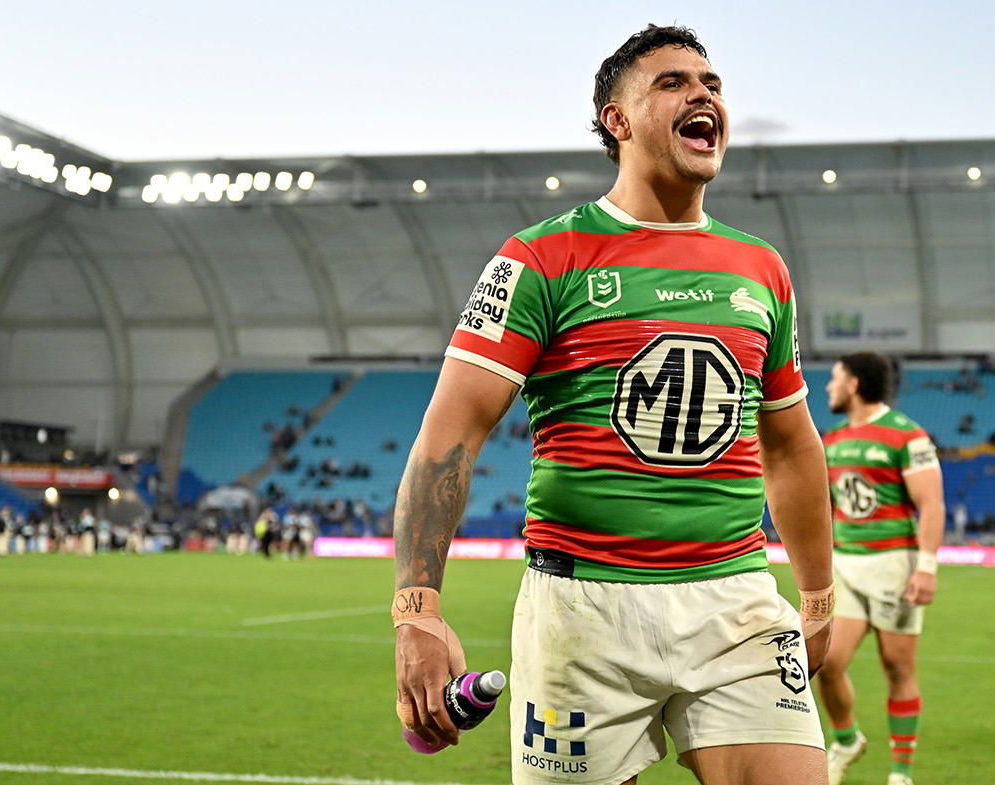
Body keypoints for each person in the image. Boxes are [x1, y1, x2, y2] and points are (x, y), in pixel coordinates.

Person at [392, 24, 834, 785]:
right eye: (672, 82)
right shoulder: (539, 258)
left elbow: (792, 445)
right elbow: (451, 433)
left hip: (736, 599)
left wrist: (820, 590)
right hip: (582, 611)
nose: (703, 93)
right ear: (616, 121)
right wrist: (416, 611)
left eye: (713, 83)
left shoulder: (762, 269)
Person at [814, 352, 945, 785]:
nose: (827, 388)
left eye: (834, 379)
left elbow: (931, 504)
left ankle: (900, 772)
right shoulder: (829, 441)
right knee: (826, 663)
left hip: (894, 565)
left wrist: (926, 568)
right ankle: (847, 739)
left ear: (853, 384)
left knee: (897, 667)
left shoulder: (907, 436)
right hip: (846, 566)